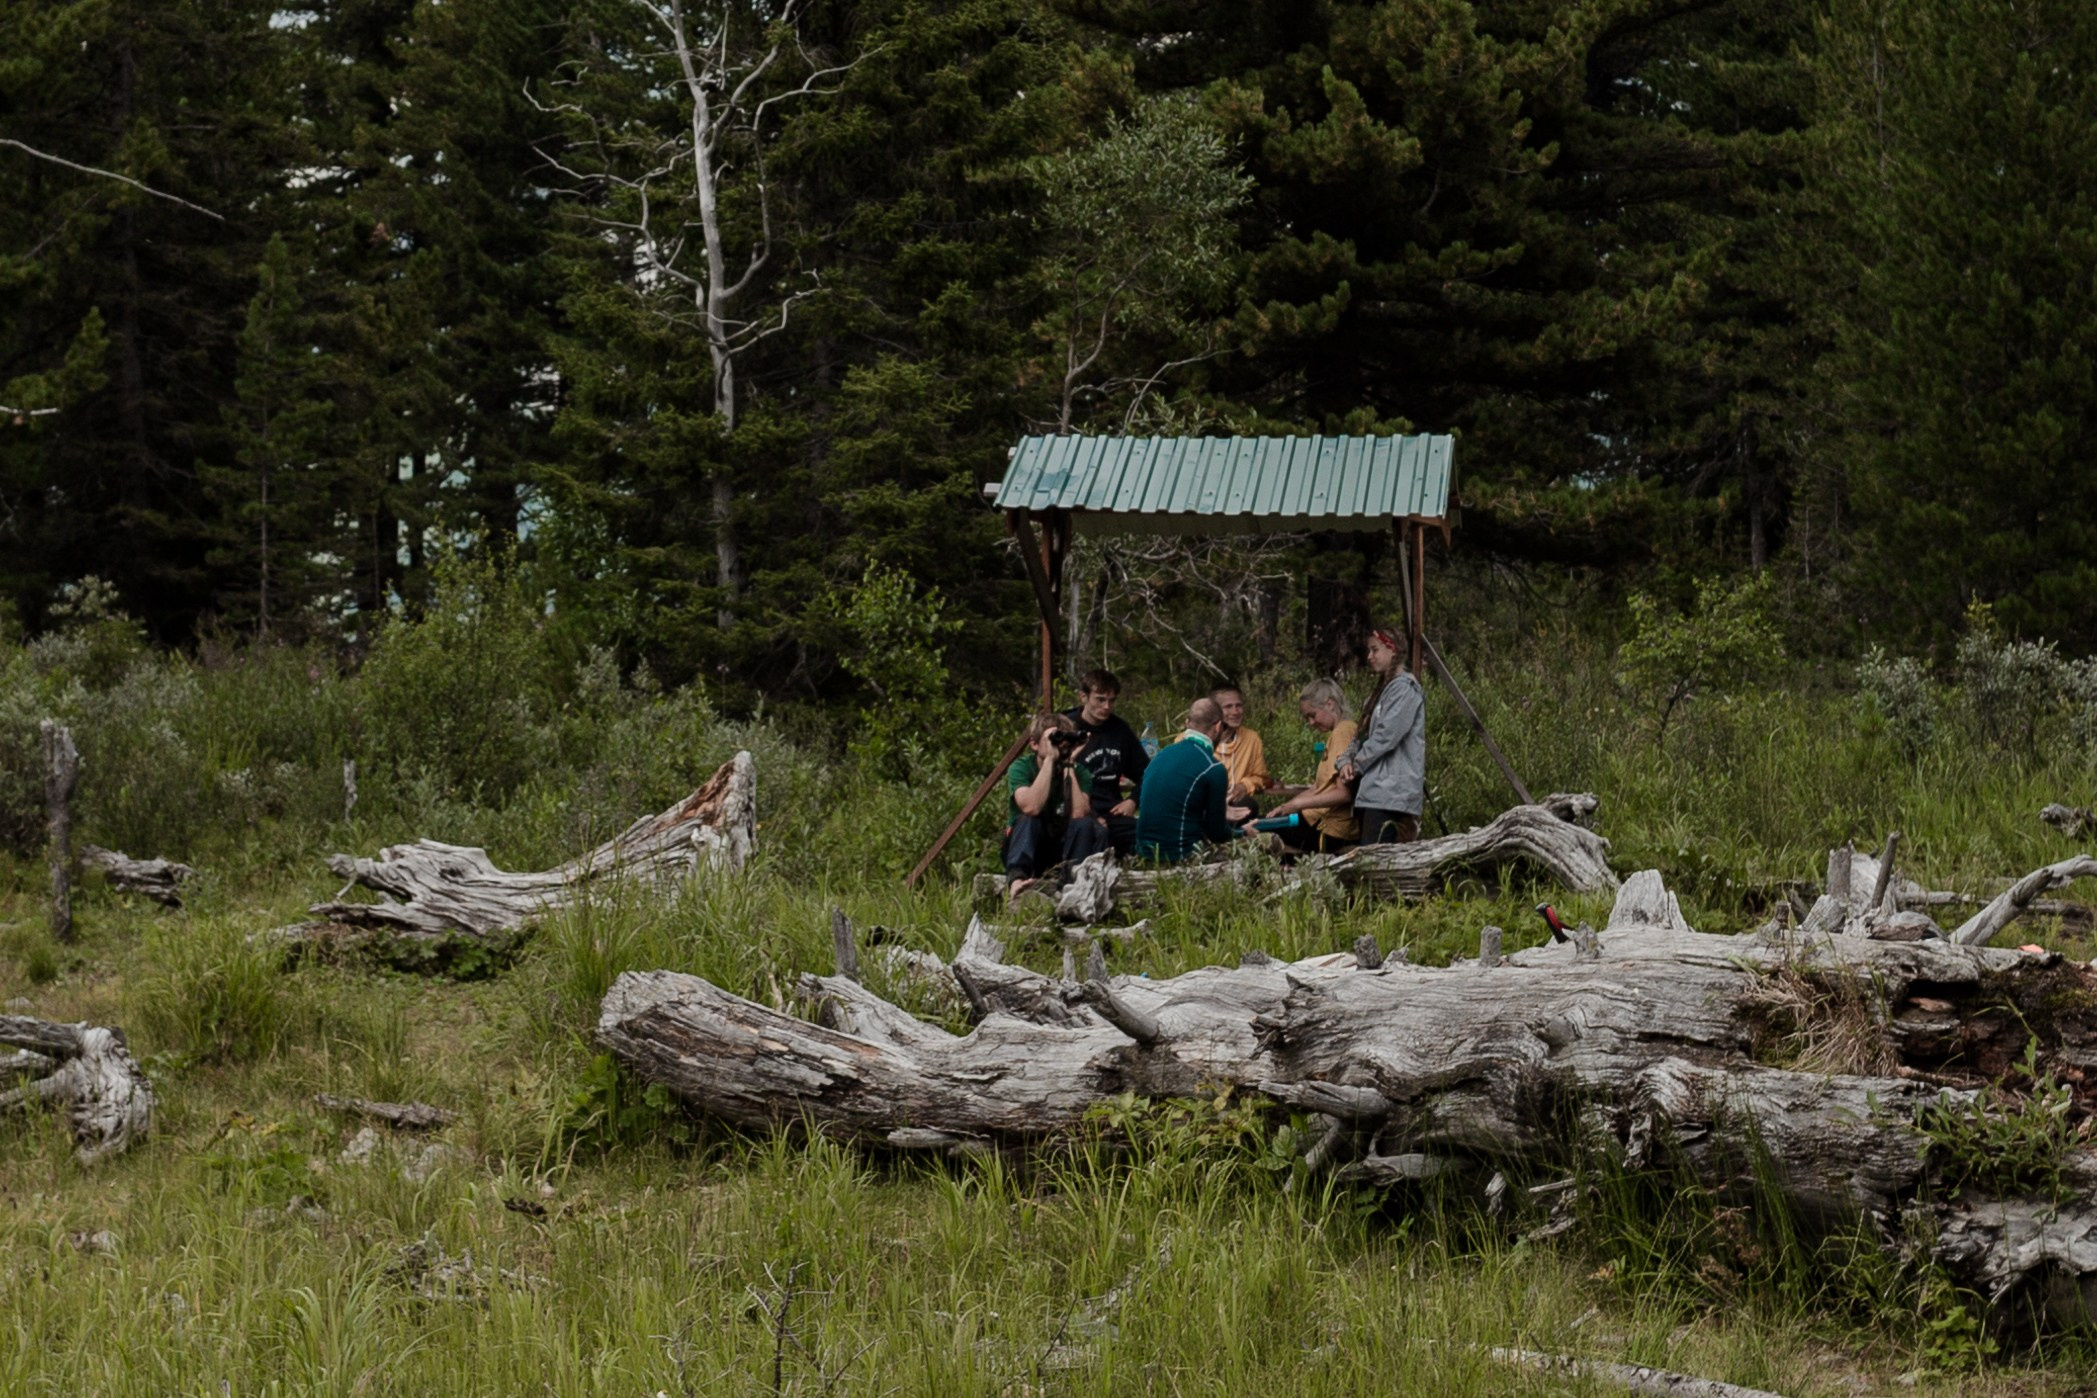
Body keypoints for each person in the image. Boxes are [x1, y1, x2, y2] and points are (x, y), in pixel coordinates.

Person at [1335, 626, 1426, 844]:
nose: (1370, 656)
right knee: (1368, 858)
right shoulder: (1379, 694)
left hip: (1392, 795)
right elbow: (1361, 736)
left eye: (1375, 650)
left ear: (1392, 649)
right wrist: (1345, 761)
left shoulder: (1405, 690)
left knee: (1378, 861)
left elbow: (1386, 737)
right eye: (1369, 651)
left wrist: (1356, 765)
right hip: (1373, 792)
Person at [1134, 697, 1249, 863]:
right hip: (1181, 856)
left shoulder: (1161, 755)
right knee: (1260, 844)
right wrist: (1244, 832)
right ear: (1217, 727)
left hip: (1144, 855)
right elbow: (1217, 834)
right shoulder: (1213, 768)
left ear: (1187, 723)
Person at [1004, 712, 1110, 888]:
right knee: (1028, 820)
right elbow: (1031, 807)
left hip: (1062, 849)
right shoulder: (1022, 767)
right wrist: (1049, 760)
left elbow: (1078, 813)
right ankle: (1017, 880)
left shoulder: (1079, 772)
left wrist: (1069, 765)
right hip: (1029, 845)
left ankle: (1075, 883)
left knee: (1087, 825)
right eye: (1053, 739)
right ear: (1034, 744)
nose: (1059, 745)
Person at [1259, 677, 1360, 852]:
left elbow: (1343, 793)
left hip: (1329, 829)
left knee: (1254, 828)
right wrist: (1287, 807)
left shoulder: (1343, 732)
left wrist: (1297, 805)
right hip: (1317, 820)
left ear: (1330, 704)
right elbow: (1321, 788)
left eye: (1312, 715)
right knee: (1263, 823)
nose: (1311, 723)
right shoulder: (1337, 733)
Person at [1062, 668, 1148, 857]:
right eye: (1100, 699)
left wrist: (1133, 800)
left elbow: (1147, 772)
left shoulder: (1120, 730)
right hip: (1075, 810)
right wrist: (1090, 815)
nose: (1107, 707)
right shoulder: (1066, 727)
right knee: (1091, 833)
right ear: (1083, 697)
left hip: (1112, 811)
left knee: (1147, 833)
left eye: (1111, 701)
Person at [1211, 686, 1274, 805]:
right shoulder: (1191, 739)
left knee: (1249, 806)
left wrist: (1244, 786)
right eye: (1228, 707)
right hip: (1203, 804)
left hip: (1236, 802)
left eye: (1238, 705)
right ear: (1214, 711)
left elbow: (1261, 777)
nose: (1235, 712)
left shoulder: (1252, 738)